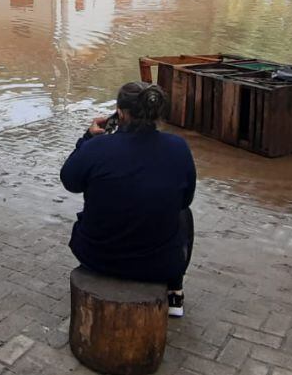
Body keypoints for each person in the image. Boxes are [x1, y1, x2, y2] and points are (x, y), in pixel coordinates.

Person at [60, 82, 196, 317]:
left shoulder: (97, 147)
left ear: (120, 112)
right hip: (160, 263)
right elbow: (185, 200)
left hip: (95, 255)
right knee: (184, 214)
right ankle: (175, 290)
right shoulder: (178, 147)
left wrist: (87, 138)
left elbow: (70, 182)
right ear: (158, 113)